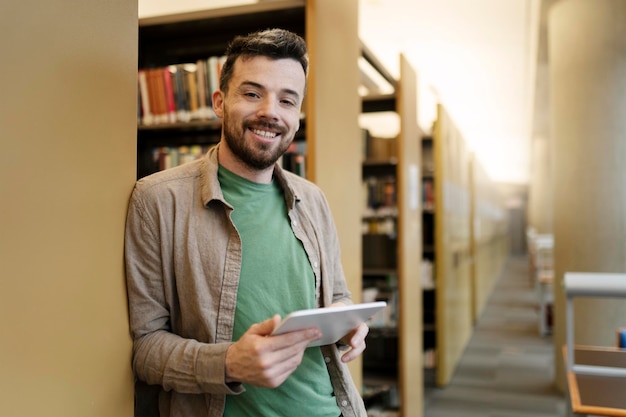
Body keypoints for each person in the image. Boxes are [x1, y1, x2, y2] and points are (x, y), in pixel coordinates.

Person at [125, 28, 369, 417]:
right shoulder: (156, 200)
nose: (270, 111)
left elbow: (337, 295)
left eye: (287, 100)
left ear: (297, 115)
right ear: (220, 102)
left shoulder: (314, 200)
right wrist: (228, 364)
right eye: (252, 93)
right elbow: (145, 348)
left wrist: (350, 323)